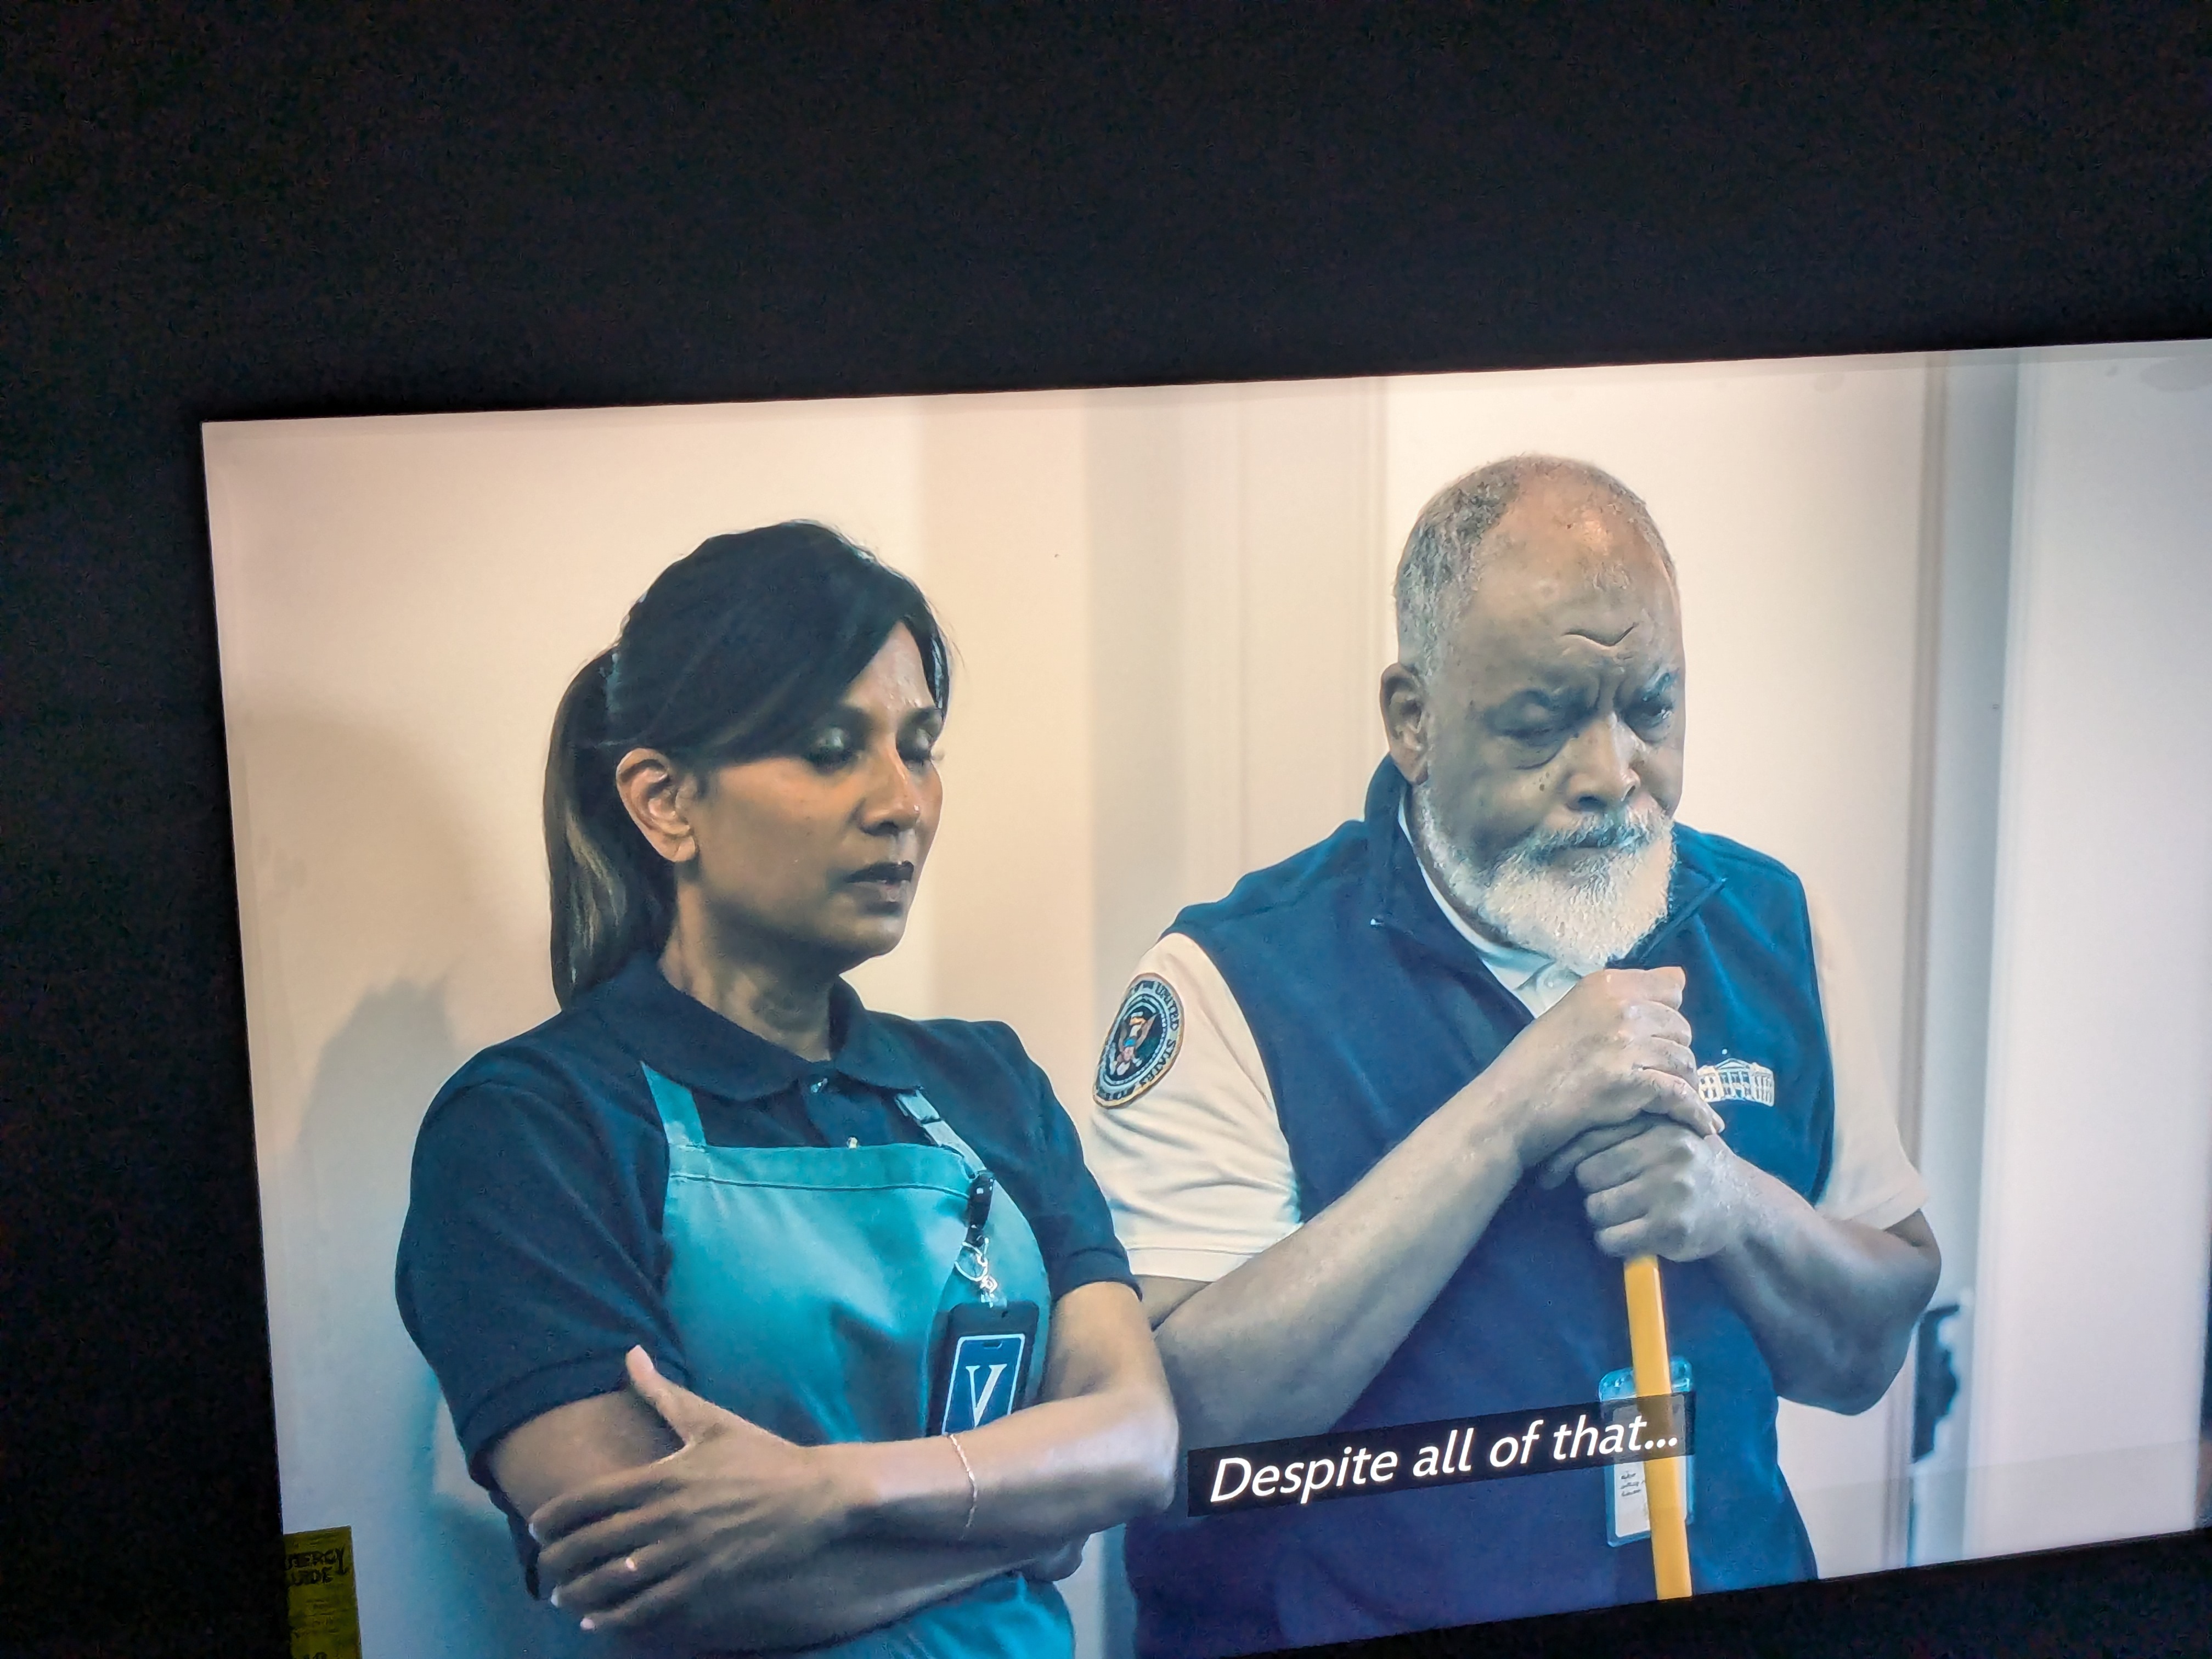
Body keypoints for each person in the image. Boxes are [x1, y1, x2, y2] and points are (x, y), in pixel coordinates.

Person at [1079, 458, 1943, 1656]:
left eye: (1650, 710)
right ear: (1414, 721)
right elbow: (1182, 1423)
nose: (1610, 776)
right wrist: (1509, 1113)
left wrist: (1739, 1207)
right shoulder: (1226, 980)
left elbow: (1869, 1351)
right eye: (1542, 724)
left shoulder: (1778, 927)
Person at [396, 523, 1178, 1657]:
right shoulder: (532, 1128)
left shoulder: (989, 1082)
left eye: (920, 748)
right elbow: (668, 1585)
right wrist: (1024, 1514)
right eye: (828, 749)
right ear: (666, 802)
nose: (902, 802)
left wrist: (826, 1492)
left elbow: (1139, 1442)